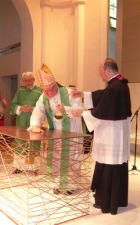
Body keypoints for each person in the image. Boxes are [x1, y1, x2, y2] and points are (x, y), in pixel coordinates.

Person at [71, 58, 132, 215]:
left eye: (100, 71)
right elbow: (103, 96)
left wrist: (82, 113)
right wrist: (83, 94)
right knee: (114, 166)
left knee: (109, 165)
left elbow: (101, 112)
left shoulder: (114, 87)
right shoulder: (120, 84)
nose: (100, 74)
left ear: (107, 70)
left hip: (111, 135)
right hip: (117, 133)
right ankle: (116, 199)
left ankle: (106, 201)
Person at [30, 64, 83, 195]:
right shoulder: (43, 96)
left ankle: (70, 185)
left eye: (49, 91)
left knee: (71, 158)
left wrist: (66, 109)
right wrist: (36, 125)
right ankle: (57, 183)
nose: (47, 94)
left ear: (55, 85)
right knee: (56, 157)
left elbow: (80, 111)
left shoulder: (70, 93)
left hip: (71, 131)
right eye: (44, 91)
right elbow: (38, 111)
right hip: (55, 133)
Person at [9, 71, 42, 173]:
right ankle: (20, 166)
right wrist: (20, 108)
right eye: (26, 81)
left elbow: (43, 107)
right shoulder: (20, 91)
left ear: (34, 80)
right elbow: (13, 105)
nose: (28, 82)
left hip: (34, 122)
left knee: (33, 143)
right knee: (20, 142)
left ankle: (33, 167)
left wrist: (33, 108)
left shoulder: (39, 92)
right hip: (22, 121)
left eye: (30, 80)